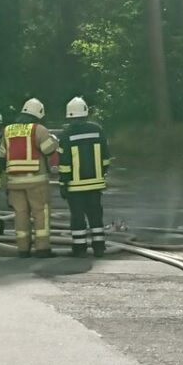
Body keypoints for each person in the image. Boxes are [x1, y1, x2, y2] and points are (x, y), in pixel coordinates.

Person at [0, 98, 59, 258]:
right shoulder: (39, 130)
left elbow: (2, 156)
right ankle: (42, 249)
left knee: (20, 214)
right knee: (40, 213)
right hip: (36, 181)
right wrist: (54, 142)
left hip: (14, 182)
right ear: (39, 114)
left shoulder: (8, 130)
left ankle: (23, 249)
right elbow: (48, 150)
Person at [56, 96, 112, 257]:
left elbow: (64, 164)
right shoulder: (98, 129)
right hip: (95, 184)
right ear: (86, 112)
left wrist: (63, 184)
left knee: (77, 218)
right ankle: (99, 247)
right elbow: (106, 157)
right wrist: (101, 174)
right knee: (96, 216)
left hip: (75, 186)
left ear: (69, 115)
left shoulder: (66, 135)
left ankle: (80, 249)